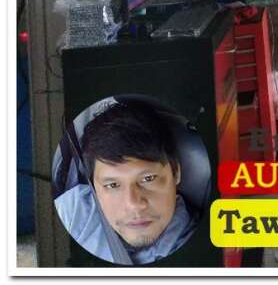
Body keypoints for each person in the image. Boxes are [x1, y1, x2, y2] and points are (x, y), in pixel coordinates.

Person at [55, 101, 198, 265]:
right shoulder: (76, 213)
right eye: (113, 185)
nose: (133, 204)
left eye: (148, 179)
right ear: (94, 188)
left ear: (176, 173)